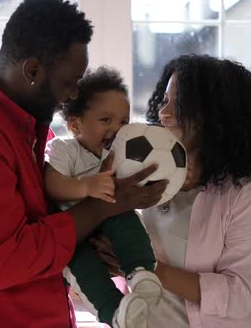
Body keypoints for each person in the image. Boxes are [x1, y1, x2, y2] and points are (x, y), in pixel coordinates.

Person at [0, 0, 167, 327]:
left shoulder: (31, 133)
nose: (75, 94)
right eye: (69, 82)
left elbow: (50, 234)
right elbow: (4, 262)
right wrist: (105, 205)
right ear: (32, 71)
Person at [92, 54, 251, 328]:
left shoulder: (246, 197)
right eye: (165, 101)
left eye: (179, 105)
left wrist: (145, 266)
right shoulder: (141, 176)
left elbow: (238, 296)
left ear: (213, 116)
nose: (163, 113)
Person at [44, 67, 163, 328]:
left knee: (127, 219)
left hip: (108, 224)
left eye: (123, 121)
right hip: (72, 235)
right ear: (75, 125)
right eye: (105, 120)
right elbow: (52, 185)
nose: (116, 129)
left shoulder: (122, 154)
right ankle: (115, 314)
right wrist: (87, 187)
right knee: (83, 269)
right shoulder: (65, 149)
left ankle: (141, 273)